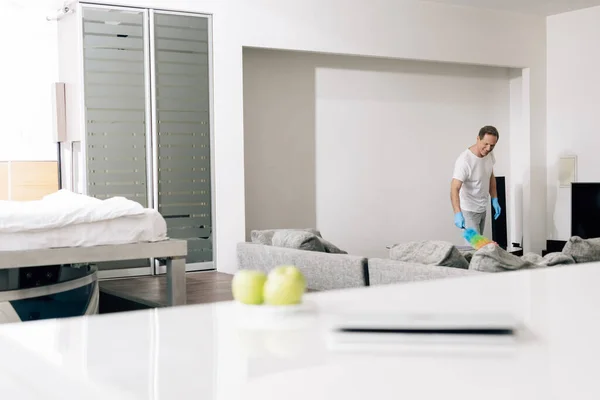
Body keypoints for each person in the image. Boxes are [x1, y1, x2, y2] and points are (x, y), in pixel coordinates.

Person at [450, 125, 501, 236]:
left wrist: (494, 199)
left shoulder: (489, 154)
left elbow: (490, 176)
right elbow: (454, 188)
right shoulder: (464, 161)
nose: (488, 148)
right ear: (478, 139)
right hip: (469, 210)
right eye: (486, 144)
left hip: (482, 208)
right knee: (474, 248)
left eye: (492, 145)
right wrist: (457, 213)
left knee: (478, 248)